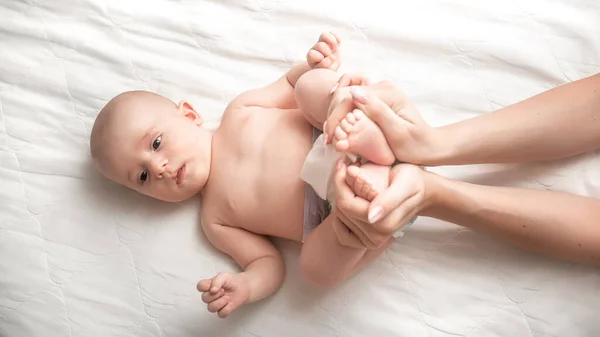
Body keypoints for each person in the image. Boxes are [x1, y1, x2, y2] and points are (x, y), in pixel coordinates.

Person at [89, 32, 407, 319]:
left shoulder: (239, 111)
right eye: (142, 177)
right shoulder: (215, 221)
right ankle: (372, 230)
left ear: (189, 115)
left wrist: (316, 64)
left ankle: (368, 136)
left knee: (311, 88)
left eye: (157, 143)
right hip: (336, 208)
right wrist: (246, 286)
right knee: (314, 270)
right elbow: (267, 264)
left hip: (333, 137)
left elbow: (291, 85)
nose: (158, 168)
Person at [323, 71, 600, 266]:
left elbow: (286, 88)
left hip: (321, 151)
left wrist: (312, 71)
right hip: (321, 204)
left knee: (309, 88)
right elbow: (275, 271)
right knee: (318, 270)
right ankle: (400, 157)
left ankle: (394, 171)